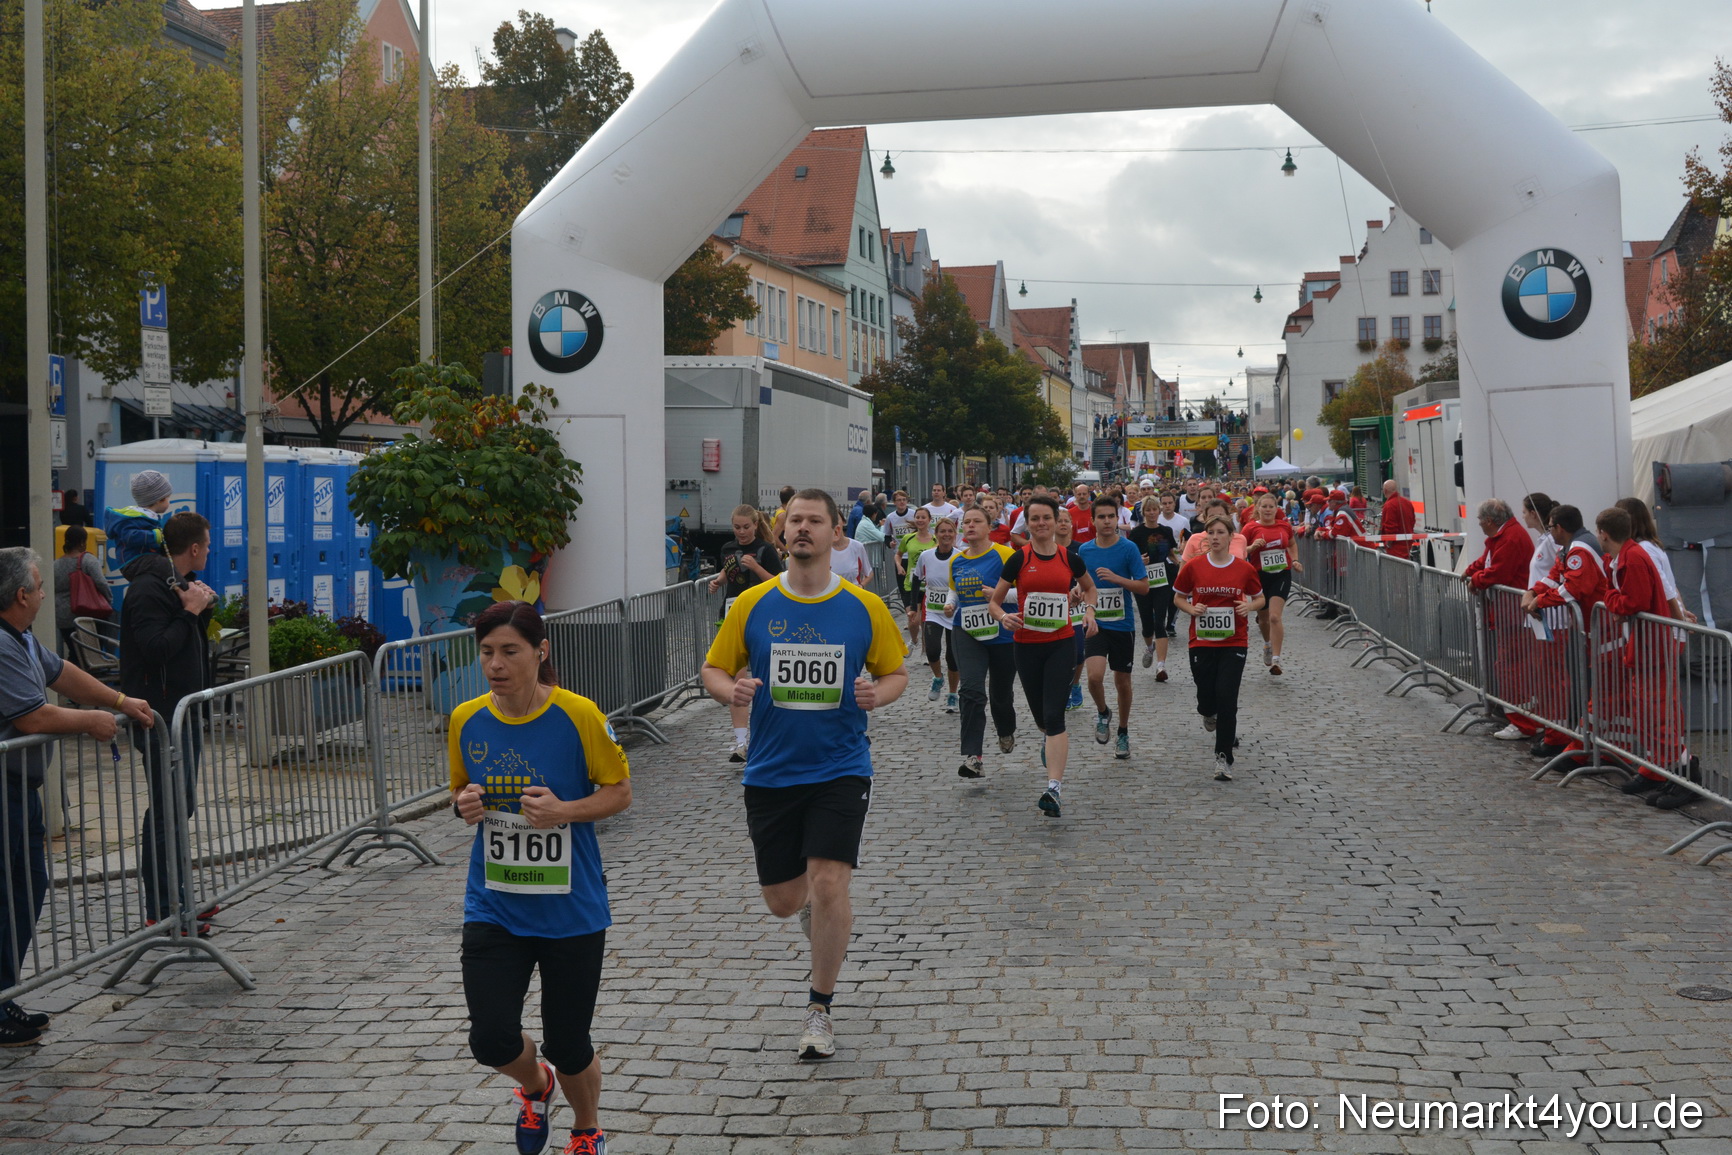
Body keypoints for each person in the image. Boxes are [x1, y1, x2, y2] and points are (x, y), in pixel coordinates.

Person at [700, 489, 908, 1060]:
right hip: (770, 771)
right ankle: (816, 912)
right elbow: (714, 669)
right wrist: (730, 689)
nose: (803, 529)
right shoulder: (753, 605)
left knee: (828, 881)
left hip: (841, 766)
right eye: (795, 520)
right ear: (781, 529)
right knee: (784, 900)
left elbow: (895, 675)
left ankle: (820, 1007)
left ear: (836, 531)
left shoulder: (863, 608)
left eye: (816, 521)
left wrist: (876, 695)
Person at [450, 602, 632, 1155]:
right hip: (494, 904)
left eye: (510, 651)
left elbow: (620, 792)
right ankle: (536, 1085)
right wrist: (464, 805)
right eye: (486, 653)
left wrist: (565, 811)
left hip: (571, 909)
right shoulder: (466, 719)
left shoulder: (578, 715)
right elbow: (459, 793)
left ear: (540, 651)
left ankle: (586, 1128)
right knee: (490, 1038)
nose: (496, 664)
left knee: (568, 1041)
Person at [0, 547, 155, 1045]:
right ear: (22, 595)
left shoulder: (20, 638)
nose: (47, 593)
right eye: (41, 586)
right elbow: (33, 717)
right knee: (11, 893)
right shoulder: (1, 644)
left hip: (21, 787)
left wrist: (117, 700)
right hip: (4, 789)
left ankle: (2, 996)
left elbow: (61, 673)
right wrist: (92, 721)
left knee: (27, 888)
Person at [118, 511, 219, 934]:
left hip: (182, 714)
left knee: (180, 807)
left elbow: (187, 642)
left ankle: (180, 897)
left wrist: (202, 607)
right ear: (193, 549)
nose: (210, 551)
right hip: (158, 717)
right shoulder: (147, 590)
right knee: (166, 810)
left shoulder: (174, 584)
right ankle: (163, 908)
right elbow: (157, 648)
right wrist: (190, 613)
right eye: (208, 545)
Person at [988, 495, 1096, 818]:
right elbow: (994, 602)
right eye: (1034, 519)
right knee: (1041, 718)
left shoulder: (1070, 558)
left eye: (1046, 518)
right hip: (1026, 645)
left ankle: (1054, 789)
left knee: (1054, 716)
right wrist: (1002, 617)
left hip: (1062, 643)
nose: (1041, 524)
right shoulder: (1018, 559)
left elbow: (1090, 589)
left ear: (1055, 520)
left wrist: (1089, 611)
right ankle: (1049, 742)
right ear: (1027, 523)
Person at [1595, 506, 1686, 805]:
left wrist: (1611, 600)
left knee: (1658, 712)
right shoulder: (1626, 556)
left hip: (1652, 647)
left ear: (1604, 534)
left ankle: (1676, 774)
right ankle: (1658, 769)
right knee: (1647, 712)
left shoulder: (1633, 558)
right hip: (1646, 645)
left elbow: (1631, 602)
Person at [1172, 516, 1265, 782]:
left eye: (1220, 532)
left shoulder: (1244, 568)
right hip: (1201, 641)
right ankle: (1207, 711)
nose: (1214, 537)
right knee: (1206, 696)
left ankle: (1223, 757)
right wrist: (1192, 608)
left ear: (1230, 537)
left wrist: (1249, 606)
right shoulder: (1194, 567)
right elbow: (1178, 596)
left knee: (1227, 698)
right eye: (1209, 532)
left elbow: (1260, 598)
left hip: (1234, 641)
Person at [947, 507, 1018, 778]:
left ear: (990, 527)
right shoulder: (957, 560)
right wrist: (950, 604)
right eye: (966, 522)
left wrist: (999, 595)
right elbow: (955, 588)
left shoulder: (1004, 554)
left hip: (1002, 631)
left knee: (1000, 695)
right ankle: (973, 756)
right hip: (966, 630)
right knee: (972, 690)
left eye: (977, 521)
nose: (970, 526)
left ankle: (1006, 730)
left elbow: (1023, 588)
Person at [710, 506, 783, 764]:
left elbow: (778, 581)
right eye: (737, 527)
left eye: (745, 527)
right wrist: (718, 580)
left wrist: (755, 566)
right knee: (738, 680)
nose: (741, 532)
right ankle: (741, 742)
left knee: (764, 679)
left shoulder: (766, 549)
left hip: (763, 615)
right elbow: (729, 570)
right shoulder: (727, 548)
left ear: (755, 525)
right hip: (732, 612)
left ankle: (768, 736)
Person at [1078, 498, 1148, 760]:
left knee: (1122, 681)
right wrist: (1078, 592)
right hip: (1095, 622)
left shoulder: (1128, 548)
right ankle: (1103, 712)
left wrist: (1117, 579)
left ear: (1117, 519)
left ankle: (1123, 731)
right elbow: (1082, 585)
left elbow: (1143, 587)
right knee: (1094, 677)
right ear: (1093, 521)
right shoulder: (1084, 551)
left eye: (1111, 516)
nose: (1107, 521)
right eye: (1101, 517)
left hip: (1123, 624)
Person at [1466, 499, 1538, 742]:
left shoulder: (1509, 537)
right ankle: (1520, 718)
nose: (1478, 524)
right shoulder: (1504, 535)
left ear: (1489, 521)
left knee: (1512, 668)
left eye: (1479, 521)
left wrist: (1475, 579)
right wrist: (1471, 571)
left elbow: (1498, 572)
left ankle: (1523, 722)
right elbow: (1487, 561)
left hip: (1512, 614)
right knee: (1508, 666)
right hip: (1507, 612)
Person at [1243, 492, 1300, 676]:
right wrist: (1253, 547)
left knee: (1275, 617)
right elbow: (1240, 550)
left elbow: (1291, 544)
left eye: (1271, 507)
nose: (1268, 510)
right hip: (1258, 575)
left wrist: (1295, 559)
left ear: (1277, 509)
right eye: (1264, 506)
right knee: (1264, 618)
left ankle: (1276, 659)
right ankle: (1267, 643)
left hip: (1281, 574)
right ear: (1258, 509)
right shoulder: (1250, 528)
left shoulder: (1284, 525)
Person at [1616, 498, 1696, 624]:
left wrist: (1681, 619)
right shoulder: (1652, 546)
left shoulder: (1642, 549)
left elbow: (1666, 588)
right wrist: (1682, 611)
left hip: (1663, 629)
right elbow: (1671, 586)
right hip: (1667, 626)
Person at [1128, 495, 1181, 681]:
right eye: (1148, 510)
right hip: (1143, 581)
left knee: (1160, 620)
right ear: (1143, 513)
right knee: (1147, 624)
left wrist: (1180, 566)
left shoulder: (1165, 530)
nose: (1152, 513)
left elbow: (1171, 553)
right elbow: (1130, 558)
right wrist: (1139, 562)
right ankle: (1150, 647)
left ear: (1159, 511)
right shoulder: (1136, 534)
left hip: (1163, 579)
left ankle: (1161, 666)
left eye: (1154, 509)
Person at [915, 518, 960, 712]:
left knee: (953, 657)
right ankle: (938, 678)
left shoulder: (960, 556)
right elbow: (917, 580)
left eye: (950, 531)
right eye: (942, 531)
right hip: (933, 611)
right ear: (936, 534)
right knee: (932, 651)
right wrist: (913, 608)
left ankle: (952, 694)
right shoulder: (926, 556)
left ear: (955, 534)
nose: (946, 535)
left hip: (954, 612)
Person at [53, 525, 110, 657]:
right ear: (82, 542)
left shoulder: (55, 565)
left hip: (64, 617)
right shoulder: (88, 560)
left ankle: (72, 675)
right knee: (93, 653)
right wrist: (108, 600)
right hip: (88, 614)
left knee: (75, 651)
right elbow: (101, 583)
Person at [105, 469, 174, 568]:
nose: (169, 502)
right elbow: (129, 536)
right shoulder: (134, 518)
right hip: (133, 561)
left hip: (140, 559)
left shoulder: (146, 517)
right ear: (161, 499)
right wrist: (154, 536)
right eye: (168, 498)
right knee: (163, 566)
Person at [894, 508, 935, 651]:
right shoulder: (908, 538)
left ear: (929, 520)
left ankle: (926, 650)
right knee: (913, 620)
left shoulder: (935, 540)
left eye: (923, 517)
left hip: (929, 585)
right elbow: (898, 554)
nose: (920, 520)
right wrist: (899, 566)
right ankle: (914, 640)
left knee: (925, 621)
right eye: (918, 517)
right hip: (911, 583)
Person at [828, 519, 873, 587]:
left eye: (836, 518)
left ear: (843, 522)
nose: (834, 524)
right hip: (832, 594)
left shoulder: (857, 546)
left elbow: (869, 573)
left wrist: (861, 586)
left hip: (853, 593)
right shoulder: (823, 549)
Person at [1379, 479, 1417, 560]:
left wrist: (1389, 544)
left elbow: (1390, 528)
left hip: (1395, 547)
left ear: (1385, 491)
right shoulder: (1407, 503)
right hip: (1407, 544)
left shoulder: (1389, 505)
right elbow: (1413, 521)